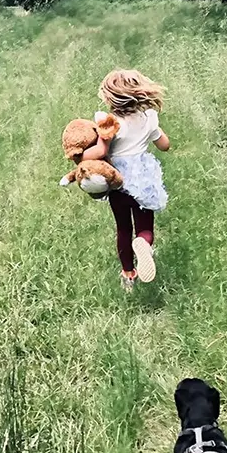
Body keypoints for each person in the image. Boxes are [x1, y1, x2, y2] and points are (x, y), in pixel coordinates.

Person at [81, 69, 171, 291]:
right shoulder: (149, 118)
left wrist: (80, 156)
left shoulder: (110, 123)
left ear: (110, 98)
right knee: (144, 226)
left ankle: (128, 274)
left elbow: (99, 152)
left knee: (123, 227)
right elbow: (164, 145)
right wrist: (154, 130)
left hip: (118, 182)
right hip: (143, 180)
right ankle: (144, 243)